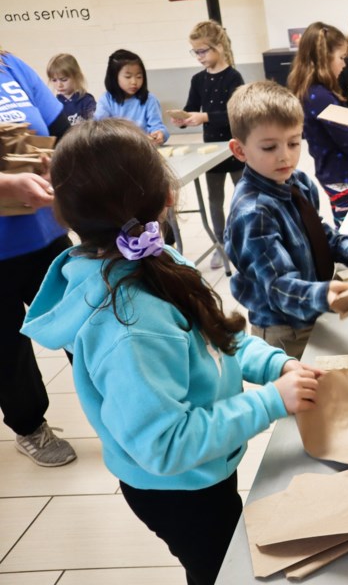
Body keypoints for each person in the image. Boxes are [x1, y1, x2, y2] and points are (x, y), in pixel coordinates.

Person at [21, 118, 325, 585]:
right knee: (219, 568)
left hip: (204, 467)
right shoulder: (131, 327)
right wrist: (270, 401)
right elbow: (165, 444)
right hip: (178, 489)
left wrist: (275, 364)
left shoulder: (157, 259)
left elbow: (219, 335)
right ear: (168, 195)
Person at [224, 81, 348, 359]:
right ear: (240, 150)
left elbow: (317, 231)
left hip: (310, 308)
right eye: (269, 147)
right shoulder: (253, 214)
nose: (285, 156)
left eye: (293, 143)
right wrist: (323, 295)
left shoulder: (297, 181)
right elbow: (278, 287)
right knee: (304, 392)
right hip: (284, 330)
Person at [0, 47, 76, 468]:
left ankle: (117, 410)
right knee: (7, 348)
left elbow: (61, 127)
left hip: (45, 233)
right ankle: (29, 427)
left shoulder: (9, 65)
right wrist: (8, 186)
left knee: (84, 327)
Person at [171, 20, 246, 269]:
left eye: (203, 51)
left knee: (242, 196)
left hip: (235, 147)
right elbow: (192, 107)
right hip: (211, 151)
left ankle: (244, 241)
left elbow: (237, 113)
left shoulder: (234, 77)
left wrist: (205, 117)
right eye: (195, 52)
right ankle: (221, 243)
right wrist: (182, 119)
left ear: (219, 47)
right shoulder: (198, 80)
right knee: (215, 199)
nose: (199, 57)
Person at [287, 22, 348, 226]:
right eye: (341, 58)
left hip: (338, 174)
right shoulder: (319, 96)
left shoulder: (317, 92)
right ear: (324, 59)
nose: (344, 65)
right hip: (343, 177)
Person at [94, 49, 169, 145]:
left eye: (139, 77)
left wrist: (160, 134)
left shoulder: (149, 99)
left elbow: (157, 126)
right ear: (114, 77)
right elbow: (99, 127)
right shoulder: (106, 100)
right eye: (128, 77)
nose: (134, 82)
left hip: (143, 149)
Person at [46, 53, 96, 126]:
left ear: (77, 77)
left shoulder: (87, 100)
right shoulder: (54, 104)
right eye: (54, 80)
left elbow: (93, 126)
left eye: (64, 80)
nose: (59, 85)